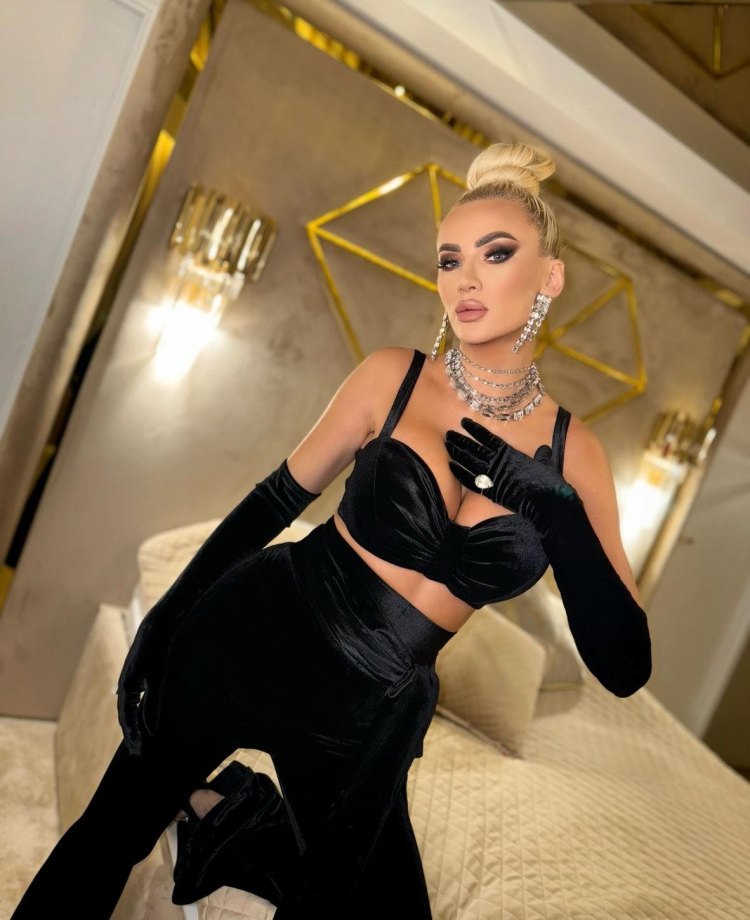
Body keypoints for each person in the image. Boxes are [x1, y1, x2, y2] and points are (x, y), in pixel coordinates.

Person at [11, 141, 651, 919]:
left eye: (495, 254)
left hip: (367, 710)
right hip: (257, 629)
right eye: (449, 259)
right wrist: (166, 621)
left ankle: (234, 818)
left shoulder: (577, 457)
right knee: (109, 834)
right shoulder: (393, 375)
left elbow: (624, 665)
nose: (466, 279)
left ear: (550, 277)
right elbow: (272, 503)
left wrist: (556, 511)